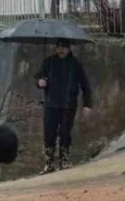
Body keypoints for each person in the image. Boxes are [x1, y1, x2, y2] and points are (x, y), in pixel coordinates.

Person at [36, 39, 93, 173]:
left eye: (64, 47)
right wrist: (40, 82)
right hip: (51, 104)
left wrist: (87, 105)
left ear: (68, 48)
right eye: (58, 47)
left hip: (68, 105)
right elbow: (38, 79)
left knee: (65, 133)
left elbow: (86, 86)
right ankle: (49, 163)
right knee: (49, 133)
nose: (61, 50)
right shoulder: (49, 62)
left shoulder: (75, 64)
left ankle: (64, 160)